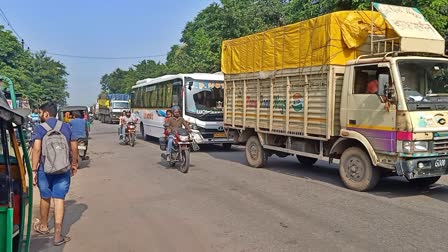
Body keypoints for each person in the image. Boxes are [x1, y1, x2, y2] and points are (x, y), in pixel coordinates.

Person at [31, 102, 78, 246]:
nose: (40, 115)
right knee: (59, 199)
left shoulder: (40, 128)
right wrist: (74, 163)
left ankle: (44, 226)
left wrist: (33, 170)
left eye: (40, 113)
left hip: (44, 169)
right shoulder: (66, 127)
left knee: (45, 197)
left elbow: (37, 149)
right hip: (63, 169)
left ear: (45, 113)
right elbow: (74, 147)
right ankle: (57, 235)